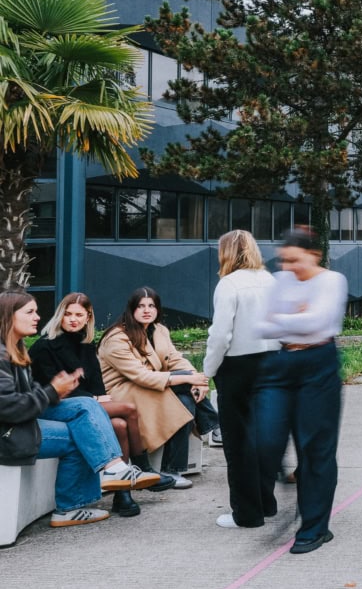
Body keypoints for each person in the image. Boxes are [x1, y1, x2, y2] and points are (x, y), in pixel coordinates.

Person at [1, 291, 158, 529]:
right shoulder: (7, 354)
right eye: (30, 312)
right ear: (8, 317)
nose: (38, 317)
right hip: (9, 433)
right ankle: (112, 471)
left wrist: (55, 391)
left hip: (23, 423)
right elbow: (9, 407)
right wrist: (54, 390)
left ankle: (75, 503)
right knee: (85, 415)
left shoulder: (16, 348)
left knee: (84, 421)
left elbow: (31, 394)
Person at [253, 226, 347, 554]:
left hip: (319, 365)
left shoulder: (332, 281)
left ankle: (314, 528)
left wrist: (283, 318)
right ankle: (282, 481)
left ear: (315, 254)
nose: (288, 267)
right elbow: (260, 324)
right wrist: (297, 317)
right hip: (280, 364)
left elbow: (320, 322)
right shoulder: (281, 281)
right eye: (283, 261)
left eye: (295, 260)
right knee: (264, 439)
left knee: (315, 449)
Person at [99, 288, 217, 489]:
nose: (147, 310)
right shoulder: (117, 337)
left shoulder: (159, 330)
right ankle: (214, 426)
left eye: (151, 306)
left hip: (152, 384)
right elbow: (140, 376)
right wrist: (190, 378)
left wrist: (196, 380)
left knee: (187, 401)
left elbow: (175, 359)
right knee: (183, 390)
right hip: (123, 391)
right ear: (131, 309)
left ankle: (173, 470)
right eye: (141, 306)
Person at [203, 229, 279, 530]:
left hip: (237, 367)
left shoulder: (229, 284)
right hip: (271, 362)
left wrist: (207, 371)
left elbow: (221, 334)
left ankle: (246, 513)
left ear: (226, 252)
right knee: (263, 439)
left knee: (238, 442)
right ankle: (266, 502)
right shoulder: (269, 280)